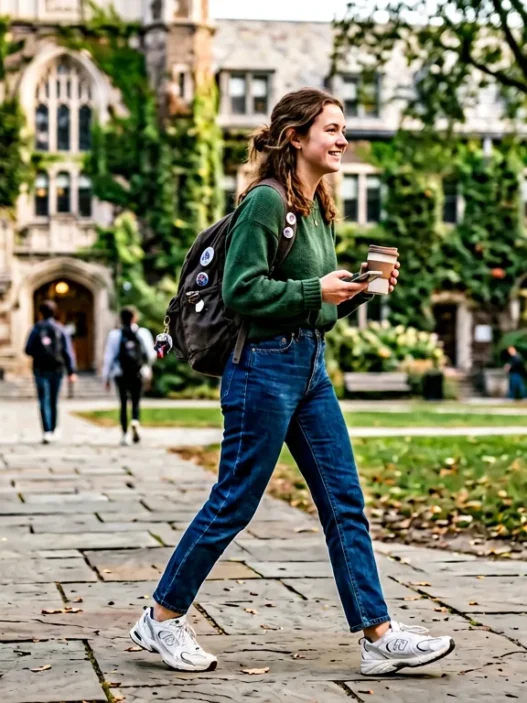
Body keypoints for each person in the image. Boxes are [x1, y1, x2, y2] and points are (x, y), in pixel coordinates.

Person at [130, 88, 455, 675]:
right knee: (234, 502)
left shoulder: (319, 208)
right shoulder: (265, 202)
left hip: (309, 367)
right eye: (331, 129)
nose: (343, 140)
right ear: (295, 138)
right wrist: (315, 291)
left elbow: (314, 308)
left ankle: (378, 635)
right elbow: (242, 291)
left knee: (343, 500)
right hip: (261, 368)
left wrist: (351, 292)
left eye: (344, 129)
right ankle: (160, 617)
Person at [25, 300, 77, 444]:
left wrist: (40, 353)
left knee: (43, 400)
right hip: (57, 368)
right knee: (54, 400)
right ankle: (54, 429)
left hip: (40, 368)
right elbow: (68, 351)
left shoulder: (36, 329)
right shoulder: (60, 329)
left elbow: (27, 349)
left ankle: (47, 431)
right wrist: (71, 371)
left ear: (40, 312)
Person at [102, 306, 156, 445]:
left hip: (120, 373)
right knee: (136, 401)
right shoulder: (142, 333)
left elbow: (109, 356)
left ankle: (125, 434)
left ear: (120, 318)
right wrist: (148, 369)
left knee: (123, 402)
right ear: (135, 318)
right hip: (138, 372)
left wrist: (106, 377)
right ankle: (135, 421)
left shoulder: (115, 335)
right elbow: (150, 354)